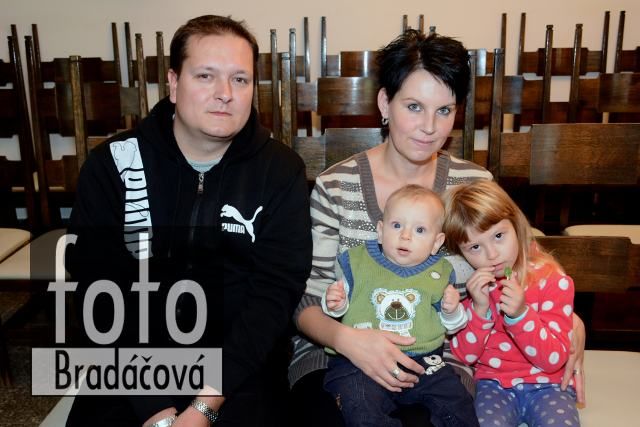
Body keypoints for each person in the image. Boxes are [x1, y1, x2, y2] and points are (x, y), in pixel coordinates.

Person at [289, 29, 585, 427]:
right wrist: (349, 341)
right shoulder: (336, 186)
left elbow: (527, 265)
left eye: (444, 110)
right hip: (336, 355)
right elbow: (305, 300)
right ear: (385, 103)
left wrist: (573, 322)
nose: (429, 127)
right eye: (414, 106)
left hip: (439, 361)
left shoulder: (473, 184)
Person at [64, 15, 311, 427]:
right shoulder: (112, 165)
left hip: (238, 368)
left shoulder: (281, 171)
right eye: (206, 76)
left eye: (240, 79)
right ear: (174, 83)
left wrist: (204, 406)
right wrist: (155, 408)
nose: (225, 94)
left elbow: (273, 294)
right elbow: (98, 287)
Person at [322, 184, 477, 426]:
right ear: (380, 231)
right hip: (360, 362)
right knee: (358, 402)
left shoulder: (439, 273)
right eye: (396, 226)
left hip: (424, 361)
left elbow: (453, 326)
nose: (405, 236)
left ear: (436, 243)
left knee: (457, 400)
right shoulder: (359, 262)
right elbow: (338, 308)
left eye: (420, 230)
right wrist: (335, 303)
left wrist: (452, 310)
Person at [442, 180, 580, 427]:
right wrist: (479, 308)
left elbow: (553, 360)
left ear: (516, 225)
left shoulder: (553, 281)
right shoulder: (476, 288)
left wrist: (520, 315)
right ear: (461, 252)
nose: (492, 254)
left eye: (498, 236)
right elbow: (465, 356)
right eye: (475, 247)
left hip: (549, 385)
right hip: (493, 386)